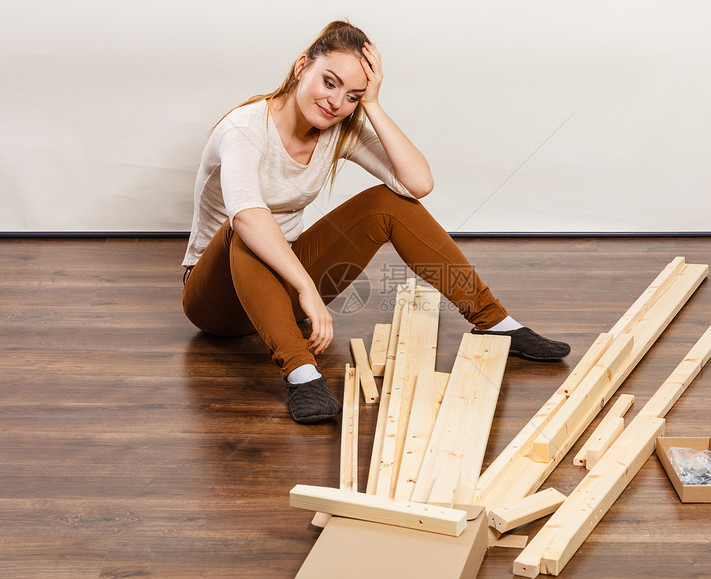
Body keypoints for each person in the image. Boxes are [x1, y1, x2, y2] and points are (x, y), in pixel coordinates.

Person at [181, 21, 570, 424]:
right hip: (216, 300)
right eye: (329, 83)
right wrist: (306, 288)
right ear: (302, 67)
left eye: (351, 95)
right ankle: (301, 374)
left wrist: (373, 106)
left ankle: (493, 320)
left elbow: (417, 184)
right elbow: (247, 215)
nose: (335, 103)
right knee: (243, 229)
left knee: (389, 202)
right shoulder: (244, 129)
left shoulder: (336, 129)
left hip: (284, 291)